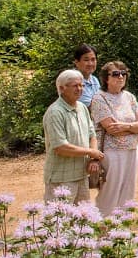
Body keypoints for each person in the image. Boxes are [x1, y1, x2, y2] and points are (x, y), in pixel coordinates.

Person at [90, 60, 138, 214]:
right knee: (111, 189)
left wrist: (126, 127)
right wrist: (134, 128)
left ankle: (123, 226)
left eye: (124, 73)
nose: (121, 76)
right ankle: (104, 225)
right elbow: (112, 129)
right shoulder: (99, 98)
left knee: (128, 188)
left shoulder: (129, 97)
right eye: (116, 74)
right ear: (105, 78)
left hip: (131, 149)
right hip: (111, 151)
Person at [43, 69, 102, 204]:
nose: (80, 89)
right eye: (75, 86)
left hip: (81, 175)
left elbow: (92, 134)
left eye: (82, 85)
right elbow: (60, 147)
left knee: (83, 218)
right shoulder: (55, 112)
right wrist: (90, 151)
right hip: (61, 177)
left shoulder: (81, 107)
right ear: (62, 88)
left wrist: (93, 158)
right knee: (59, 220)